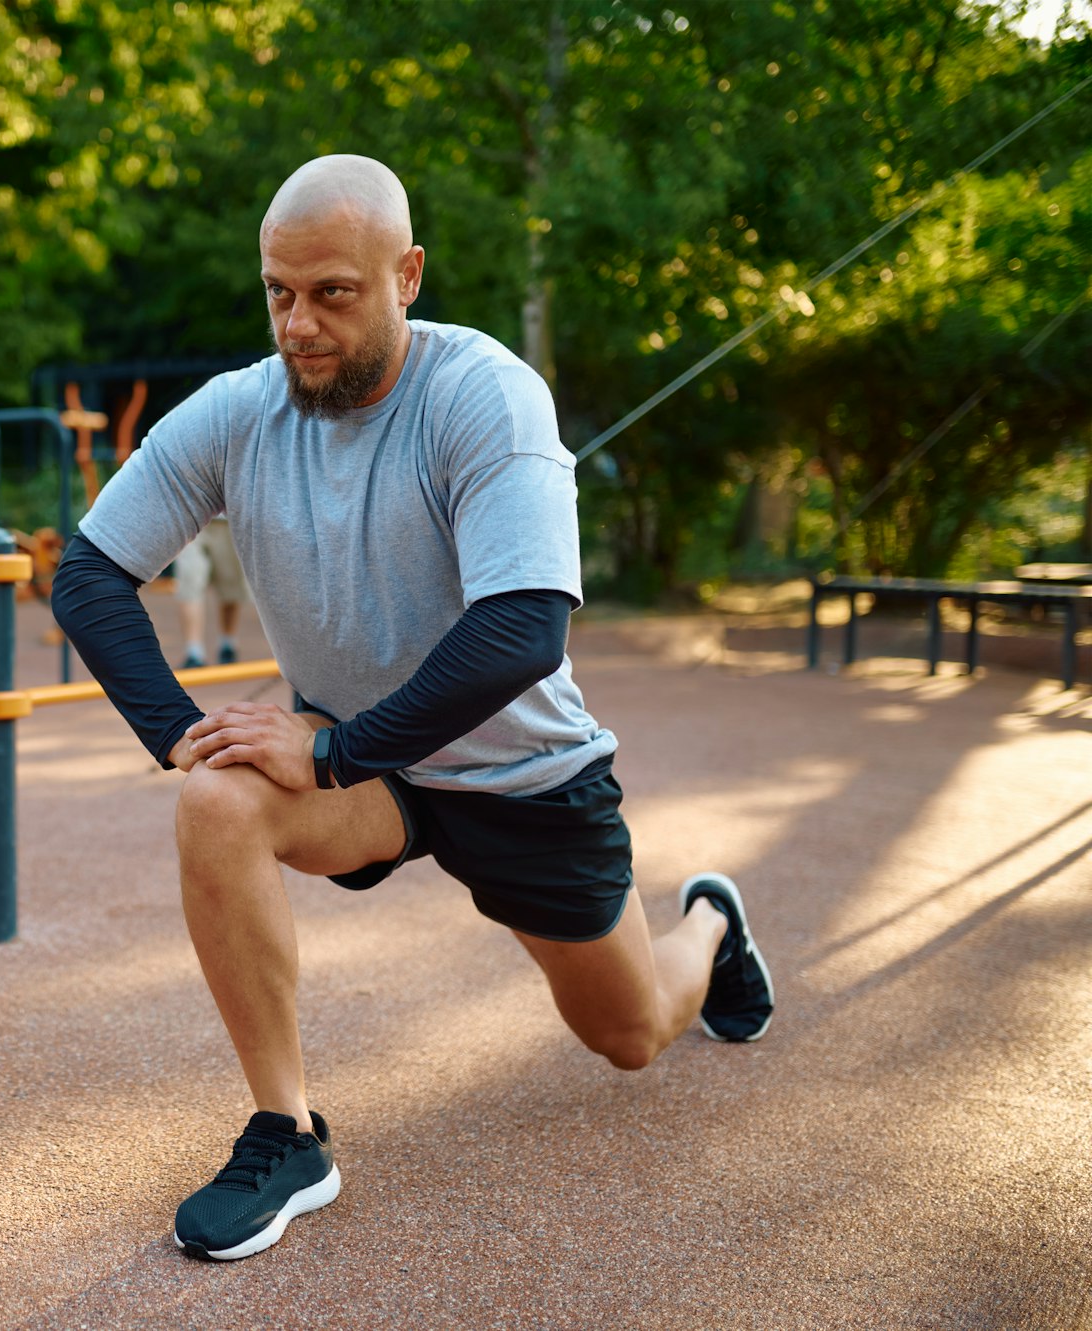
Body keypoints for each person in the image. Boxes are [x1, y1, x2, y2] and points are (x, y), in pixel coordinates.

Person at [49, 153, 774, 1262]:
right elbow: (89, 573)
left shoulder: (482, 394)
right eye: (277, 292)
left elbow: (520, 629)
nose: (297, 324)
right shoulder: (237, 411)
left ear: (407, 276)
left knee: (629, 1031)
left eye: (331, 292)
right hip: (367, 773)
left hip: (519, 773)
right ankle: (287, 1132)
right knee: (213, 798)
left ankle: (710, 925)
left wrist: (334, 747)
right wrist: (184, 734)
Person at [171, 516, 250, 668]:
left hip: (227, 520)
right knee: (189, 583)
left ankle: (228, 642)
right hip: (192, 518)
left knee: (230, 585)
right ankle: (193, 651)